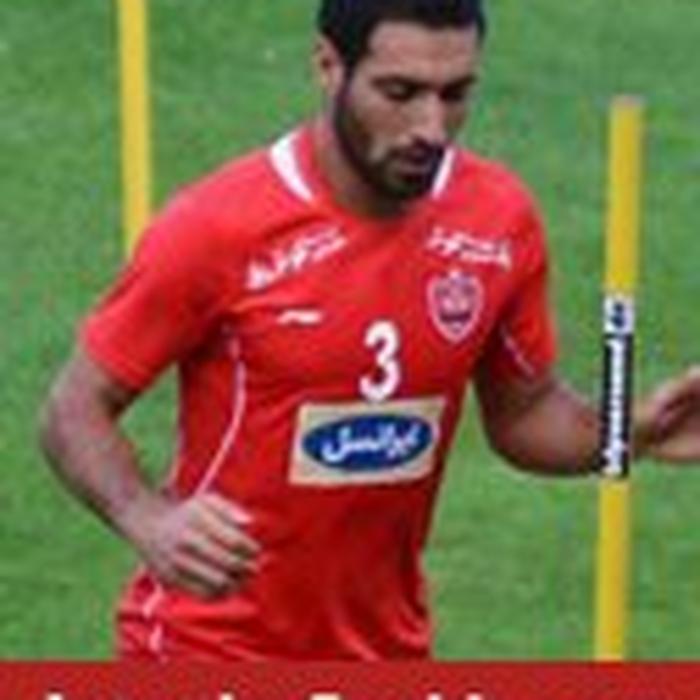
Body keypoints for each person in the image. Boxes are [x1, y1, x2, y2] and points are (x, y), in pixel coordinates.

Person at [39, 0, 700, 661]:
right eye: (400, 93)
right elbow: (73, 409)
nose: (431, 128)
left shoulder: (496, 220)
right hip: (205, 647)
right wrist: (149, 518)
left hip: (386, 650)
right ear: (329, 66)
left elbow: (524, 415)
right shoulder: (218, 227)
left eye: (455, 94)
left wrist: (633, 431)